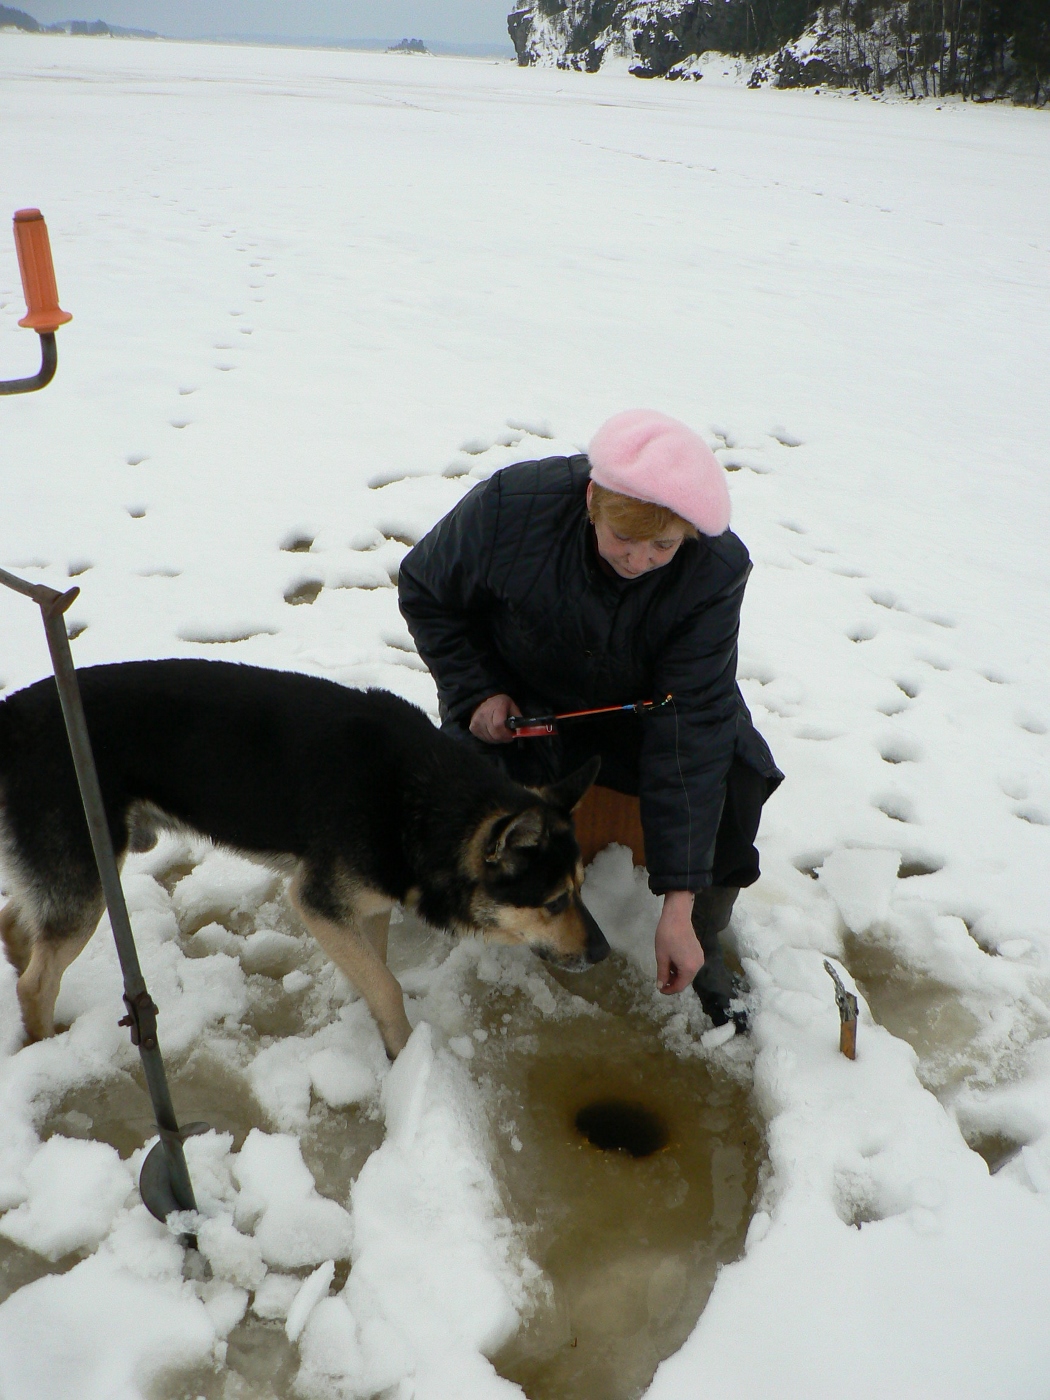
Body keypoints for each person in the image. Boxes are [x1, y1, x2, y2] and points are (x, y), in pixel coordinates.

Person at [397, 409, 782, 1029]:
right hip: (529, 706)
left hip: (649, 713)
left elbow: (695, 722)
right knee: (469, 789)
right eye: (623, 540)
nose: (639, 560)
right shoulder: (511, 507)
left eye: (663, 546)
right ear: (591, 502)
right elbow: (426, 589)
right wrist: (477, 691)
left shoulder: (714, 568)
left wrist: (678, 902)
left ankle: (701, 939)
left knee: (734, 775)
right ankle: (516, 918)